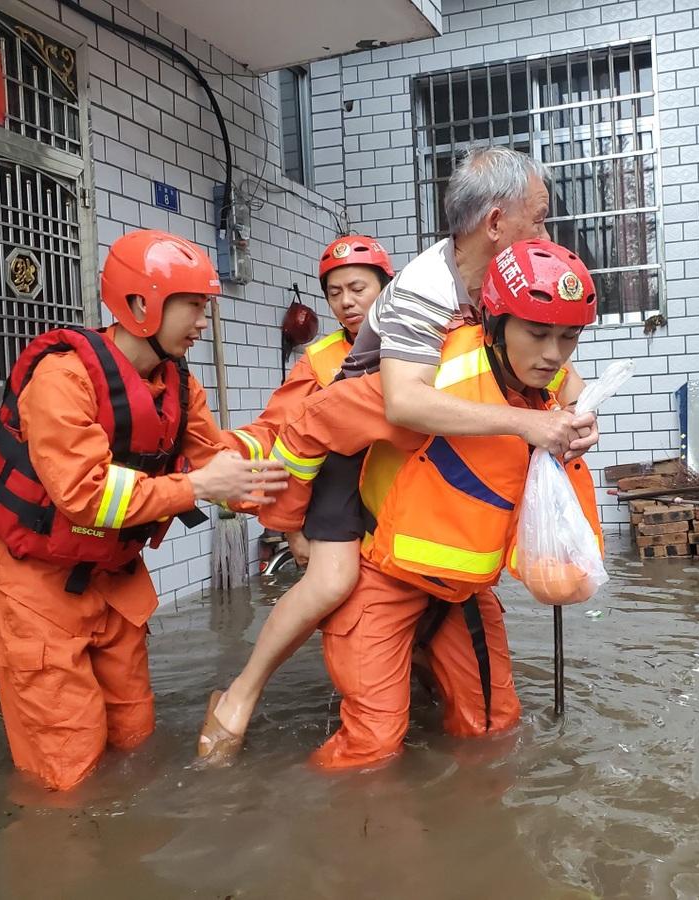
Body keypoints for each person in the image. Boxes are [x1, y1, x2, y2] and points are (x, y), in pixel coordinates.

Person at [197, 148, 599, 762]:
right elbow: (404, 406)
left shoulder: (501, 288)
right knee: (331, 580)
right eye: (539, 219)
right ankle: (240, 696)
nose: (546, 234)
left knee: (487, 721)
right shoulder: (427, 291)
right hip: (351, 449)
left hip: (415, 485)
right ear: (496, 223)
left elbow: (547, 370)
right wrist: (528, 425)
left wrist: (572, 414)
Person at [268, 238, 605, 768]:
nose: (553, 354)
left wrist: (584, 421)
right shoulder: (429, 377)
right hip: (383, 582)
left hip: (461, 595)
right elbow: (309, 425)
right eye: (538, 334)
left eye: (570, 337)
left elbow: (570, 385)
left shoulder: (547, 382)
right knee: (371, 749)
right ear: (495, 324)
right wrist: (291, 528)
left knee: (494, 730)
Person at [0, 229, 287, 791]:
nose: (202, 322)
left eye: (205, 306)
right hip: (39, 591)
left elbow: (216, 462)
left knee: (135, 744)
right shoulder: (62, 378)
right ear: (141, 304)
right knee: (68, 774)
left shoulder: (177, 384)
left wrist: (296, 457)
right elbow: (84, 495)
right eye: (192, 305)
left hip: (114, 586)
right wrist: (196, 489)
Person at [224, 235, 394, 565]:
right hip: (345, 524)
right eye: (334, 293)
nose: (346, 302)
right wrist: (219, 454)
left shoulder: (416, 346)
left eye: (357, 289)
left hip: (415, 517)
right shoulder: (318, 359)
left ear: (387, 288)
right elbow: (277, 429)